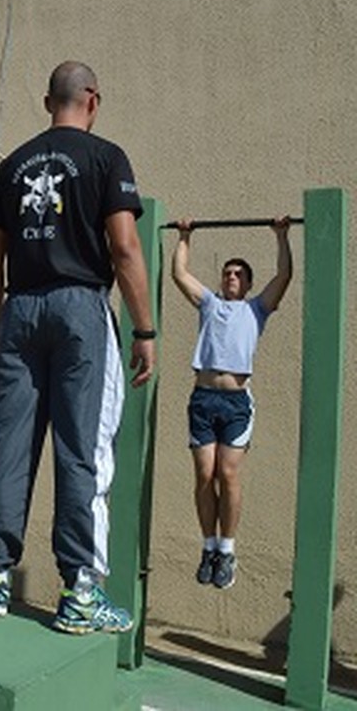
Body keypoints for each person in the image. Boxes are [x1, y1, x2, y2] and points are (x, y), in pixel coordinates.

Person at [0, 61, 155, 633]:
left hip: (21, 308)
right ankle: (80, 590)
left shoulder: (13, 165)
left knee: (8, 444)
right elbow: (124, 249)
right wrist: (145, 331)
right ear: (93, 100)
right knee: (83, 449)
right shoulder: (106, 158)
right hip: (79, 308)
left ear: (47, 101)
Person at [171, 216, 292, 589]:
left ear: (248, 283)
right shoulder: (209, 304)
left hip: (237, 403)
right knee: (204, 475)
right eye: (227, 273)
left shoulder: (256, 309)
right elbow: (180, 274)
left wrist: (281, 235)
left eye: (238, 274)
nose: (231, 277)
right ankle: (209, 547)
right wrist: (185, 236)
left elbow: (284, 276)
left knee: (229, 474)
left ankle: (227, 549)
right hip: (203, 400)